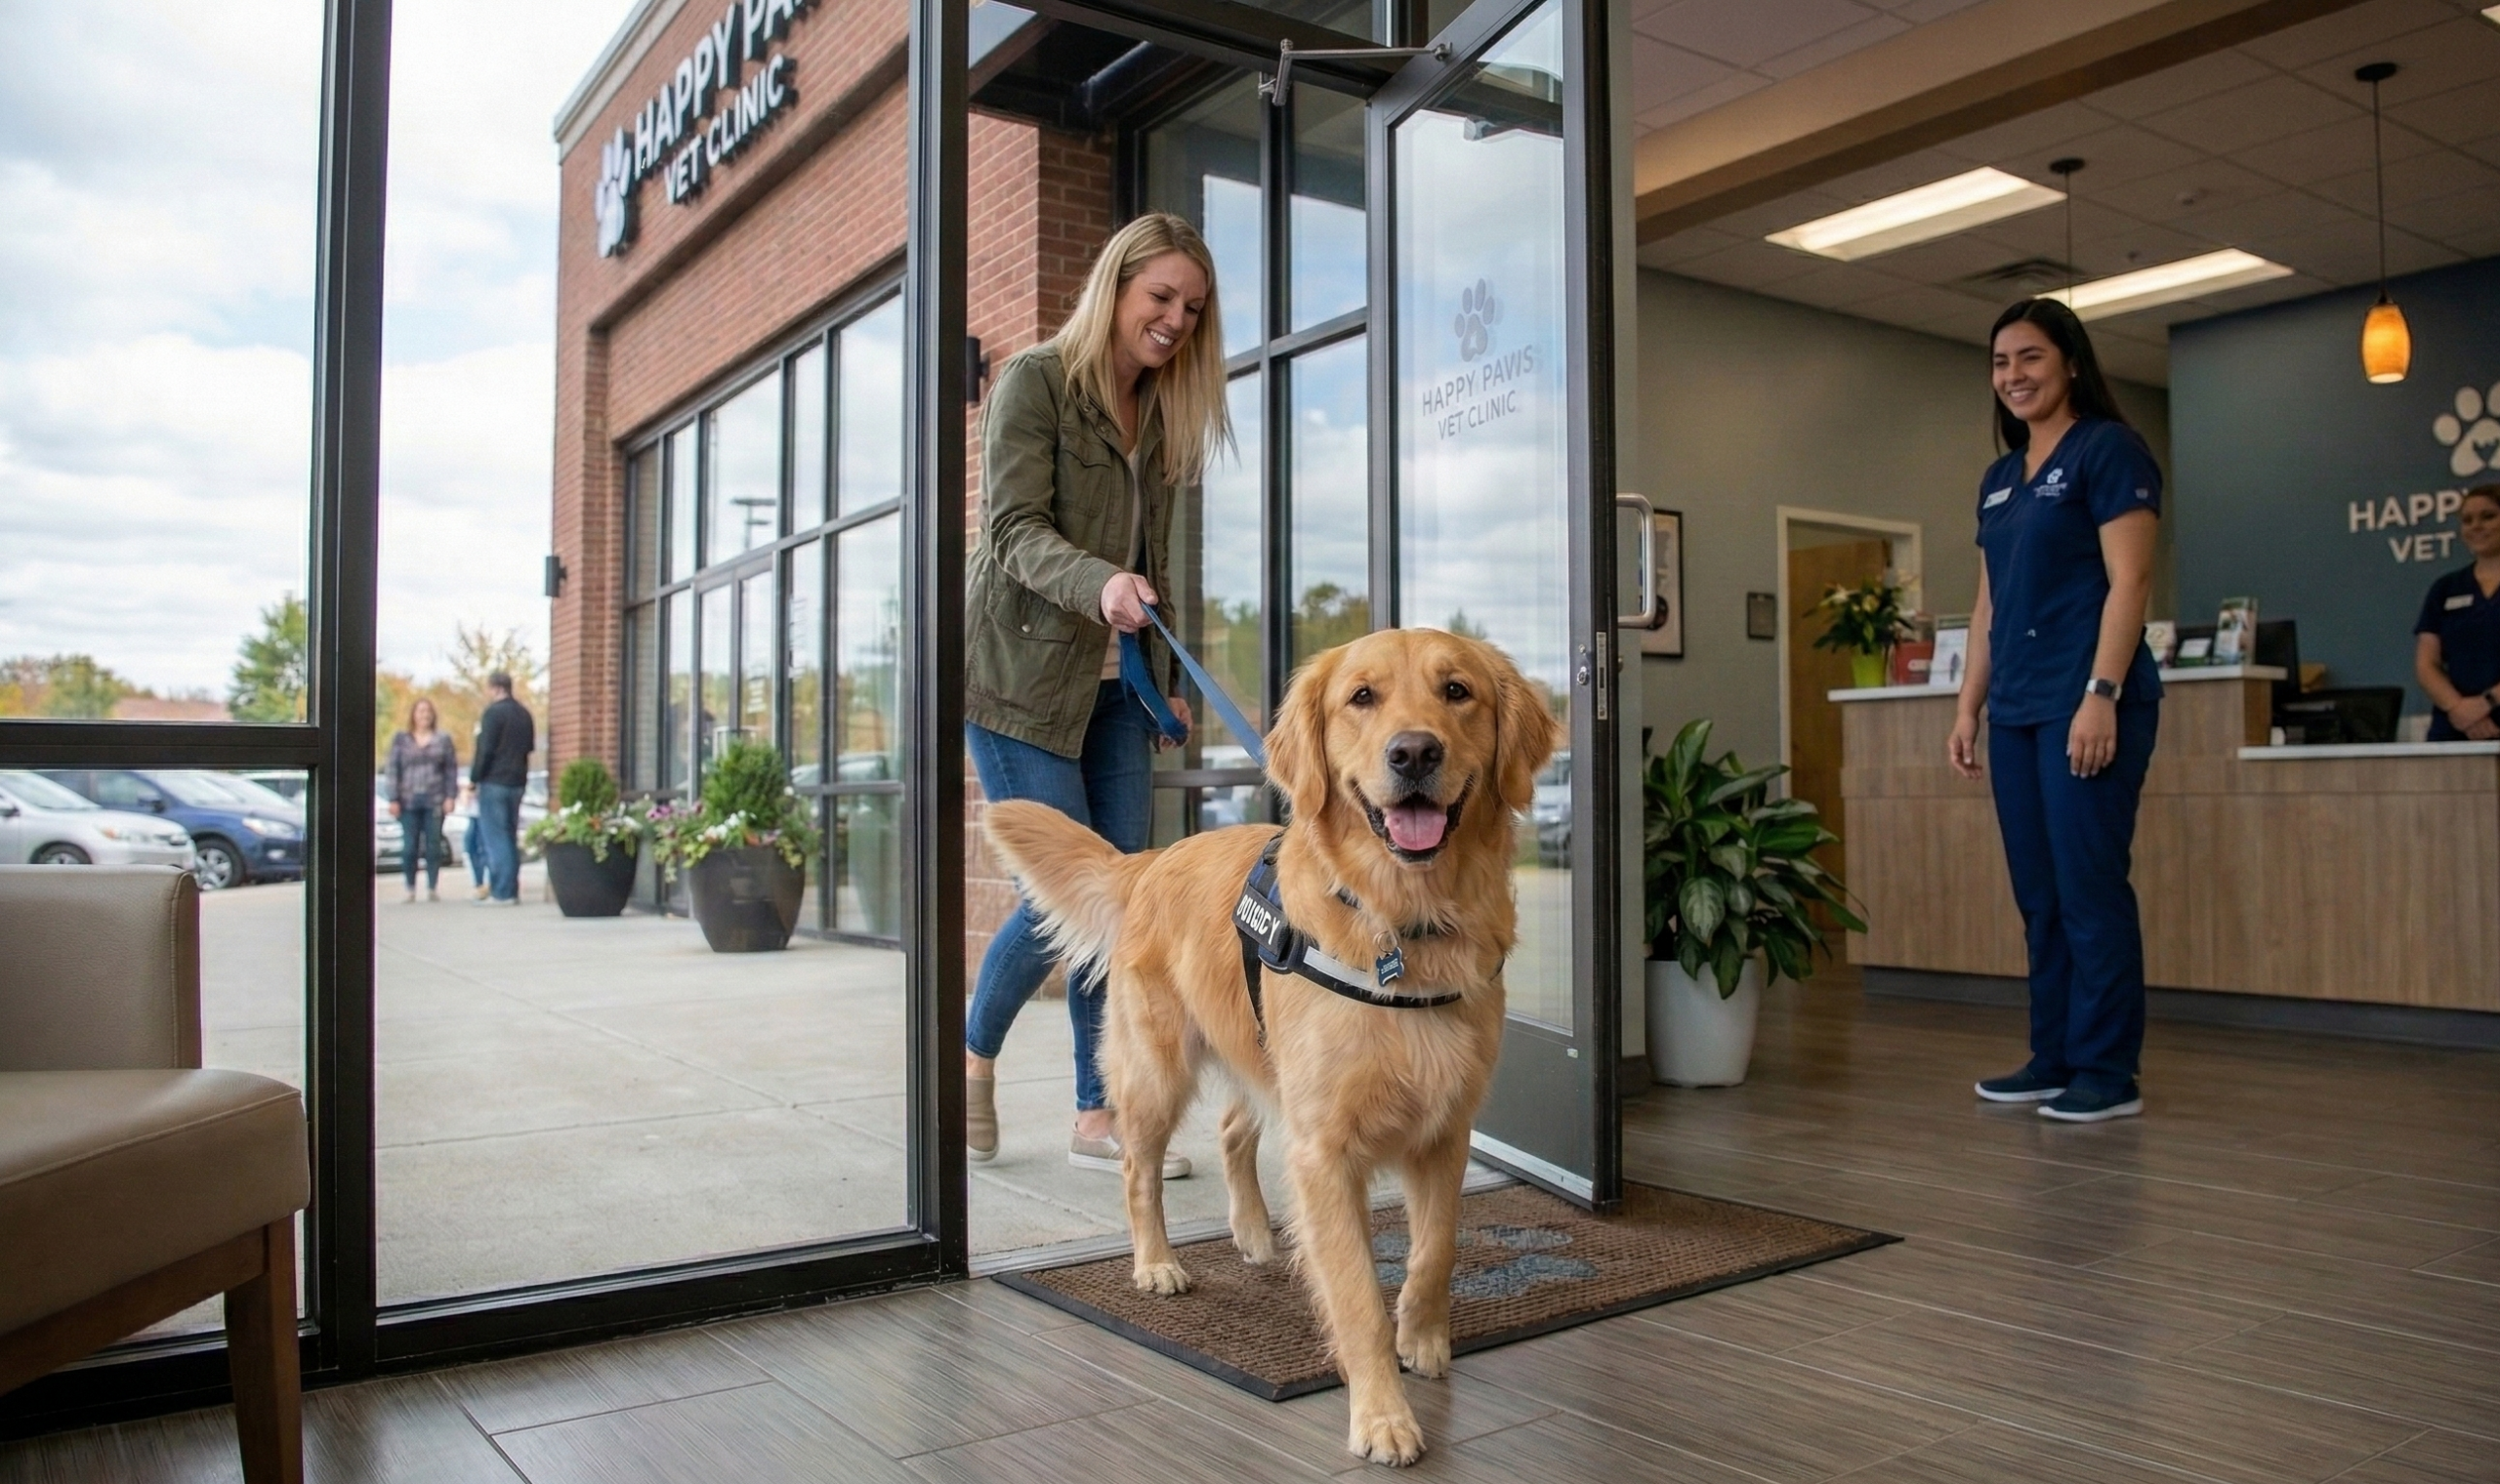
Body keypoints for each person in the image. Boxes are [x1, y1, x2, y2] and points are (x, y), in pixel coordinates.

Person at [963, 211, 1230, 1177]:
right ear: (1116, 286)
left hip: (1119, 689)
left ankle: (1099, 1110)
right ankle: (971, 1057)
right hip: (1019, 679)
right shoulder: (1037, 380)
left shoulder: (1162, 411)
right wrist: (1098, 585)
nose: (1174, 320)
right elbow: (1011, 530)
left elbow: (1161, 561)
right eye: (1161, 296)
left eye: (1192, 308)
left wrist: (1163, 685)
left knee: (1122, 905)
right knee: (1062, 902)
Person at [1949, 298, 2163, 1124]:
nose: (2014, 377)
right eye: (2002, 364)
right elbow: (1987, 608)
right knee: (2039, 893)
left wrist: (2100, 695)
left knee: (2088, 886)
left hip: (2090, 702)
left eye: (2030, 358)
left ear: (2070, 362)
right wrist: (1969, 707)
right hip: (2019, 711)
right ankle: (2053, 1056)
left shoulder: (2109, 451)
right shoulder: (2001, 481)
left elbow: (2131, 583)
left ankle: (2108, 1070)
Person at [2414, 483, 2500, 742]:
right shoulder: (2446, 588)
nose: (2476, 526)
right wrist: (2457, 708)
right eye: (2467, 520)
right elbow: (2426, 663)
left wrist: (2486, 703)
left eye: (2488, 516)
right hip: (2455, 727)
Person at [470, 671, 534, 906]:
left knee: (496, 838)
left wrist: (474, 778)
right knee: (509, 835)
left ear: (494, 688)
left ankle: (502, 892)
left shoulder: (492, 714)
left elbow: (485, 750)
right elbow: (528, 748)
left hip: (494, 781)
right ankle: (511, 889)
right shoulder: (524, 714)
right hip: (517, 782)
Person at [385, 698, 459, 902]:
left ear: (433, 715)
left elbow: (451, 770)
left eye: (427, 711)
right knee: (410, 846)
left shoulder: (442, 740)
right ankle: (409, 888)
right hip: (408, 801)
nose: (424, 715)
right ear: (413, 715)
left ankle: (432, 887)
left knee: (433, 845)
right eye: (420, 711)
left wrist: (450, 796)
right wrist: (393, 798)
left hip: (434, 799)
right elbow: (392, 769)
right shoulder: (401, 739)